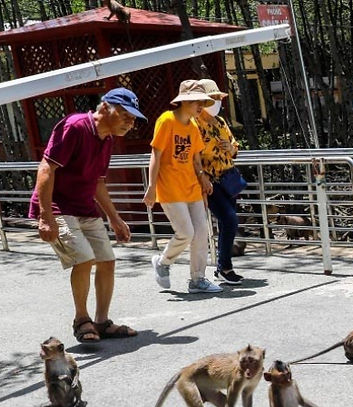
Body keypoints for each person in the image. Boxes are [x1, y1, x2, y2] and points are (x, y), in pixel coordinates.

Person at [29, 88, 146, 342]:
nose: (130, 122)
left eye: (133, 118)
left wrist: (114, 218)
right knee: (83, 259)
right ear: (105, 108)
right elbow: (46, 167)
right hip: (57, 206)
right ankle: (82, 320)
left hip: (84, 207)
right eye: (125, 115)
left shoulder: (107, 139)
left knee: (107, 260)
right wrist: (45, 216)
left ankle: (102, 322)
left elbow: (98, 183)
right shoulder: (75, 126)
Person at [144, 79, 220, 294]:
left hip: (191, 187)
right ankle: (163, 261)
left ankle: (197, 279)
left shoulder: (194, 125)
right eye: (197, 102)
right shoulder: (166, 120)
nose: (200, 107)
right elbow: (155, 155)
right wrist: (151, 186)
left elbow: (196, 159)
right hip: (169, 187)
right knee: (185, 232)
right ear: (185, 102)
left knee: (201, 232)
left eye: (202, 103)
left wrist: (203, 178)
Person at [195, 78, 243, 284]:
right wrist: (202, 175)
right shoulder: (195, 124)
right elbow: (194, 154)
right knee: (229, 218)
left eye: (217, 98)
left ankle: (223, 265)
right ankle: (224, 266)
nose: (216, 102)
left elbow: (234, 148)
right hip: (210, 180)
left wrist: (230, 148)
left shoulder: (221, 122)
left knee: (227, 222)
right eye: (212, 98)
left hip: (228, 177)